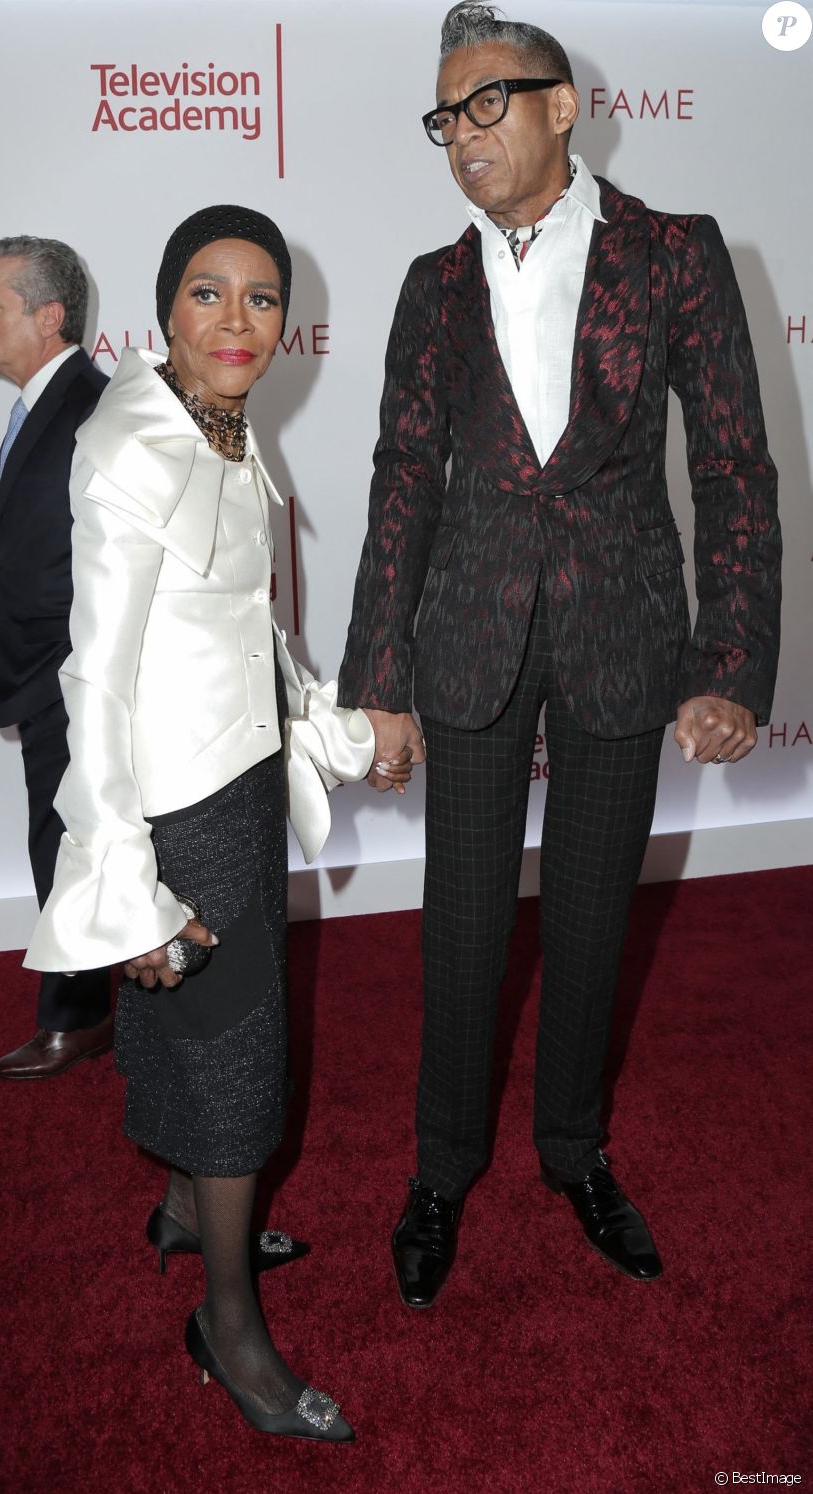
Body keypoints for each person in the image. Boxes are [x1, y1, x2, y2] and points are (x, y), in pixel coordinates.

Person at [338, 2, 781, 1308]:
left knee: (590, 924)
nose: (461, 136)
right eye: (443, 118)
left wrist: (731, 661)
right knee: (461, 928)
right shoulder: (432, 284)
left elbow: (731, 465)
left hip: (621, 628)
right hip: (465, 632)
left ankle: (575, 1151)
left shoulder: (674, 254)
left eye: (485, 105)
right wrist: (377, 681)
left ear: (559, 104)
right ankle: (438, 1168)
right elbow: (401, 479)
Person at [25, 206, 407, 1441]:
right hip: (173, 812)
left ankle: (190, 1212)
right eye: (208, 294)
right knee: (242, 1074)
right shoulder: (135, 447)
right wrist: (124, 883)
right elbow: (95, 679)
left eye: (260, 298)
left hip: (237, 792)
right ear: (161, 314)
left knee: (199, 1044)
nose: (236, 322)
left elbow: (248, 632)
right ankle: (227, 1328)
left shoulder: (230, 434)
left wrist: (338, 733)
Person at [0, 237, 113, 1079]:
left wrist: (70, 671)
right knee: (61, 838)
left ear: (48, 317)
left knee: (68, 842)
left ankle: (77, 1013)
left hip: (72, 675)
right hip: (47, 672)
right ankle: (84, 1002)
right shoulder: (42, 405)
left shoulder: (92, 409)